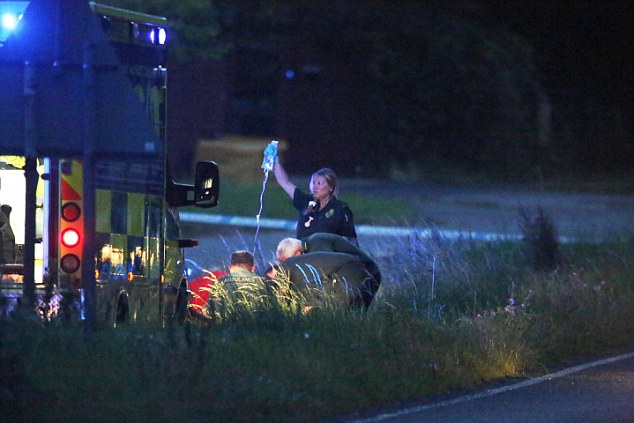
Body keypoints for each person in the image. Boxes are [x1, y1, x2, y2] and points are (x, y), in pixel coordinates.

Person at [264, 143, 358, 245]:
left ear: (331, 187)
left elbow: (351, 239)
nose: (315, 187)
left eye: (319, 183)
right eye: (313, 183)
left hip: (327, 256)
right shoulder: (305, 201)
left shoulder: (340, 209)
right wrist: (275, 161)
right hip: (303, 254)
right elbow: (285, 183)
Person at [275, 233, 381, 309]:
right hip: (357, 273)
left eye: (286, 261)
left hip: (365, 273)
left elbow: (324, 275)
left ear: (297, 253)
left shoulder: (317, 244)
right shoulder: (309, 243)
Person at [203, 250, 269, 319]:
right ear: (253, 268)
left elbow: (211, 310)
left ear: (230, 267)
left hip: (226, 327)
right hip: (256, 327)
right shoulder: (262, 282)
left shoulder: (220, 281)